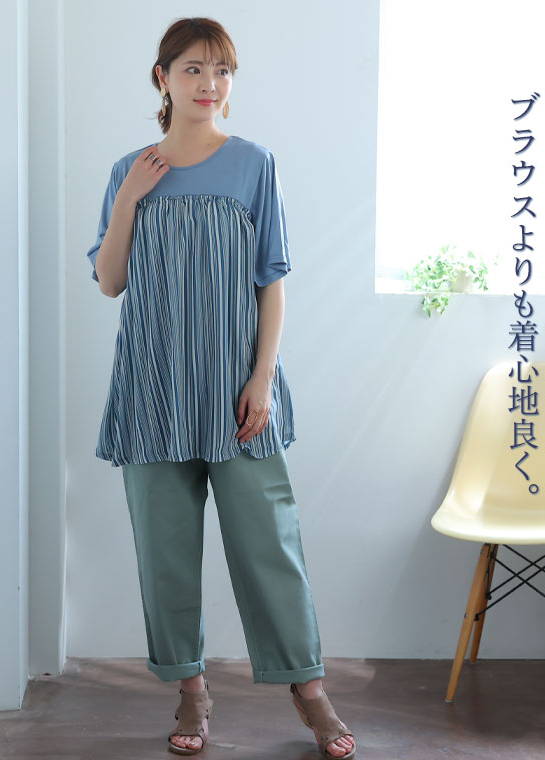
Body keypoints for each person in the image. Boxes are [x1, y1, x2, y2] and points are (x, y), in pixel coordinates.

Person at [86, 17, 355, 759]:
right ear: (163, 78)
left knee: (271, 546)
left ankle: (310, 692)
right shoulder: (129, 171)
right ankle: (192, 692)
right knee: (166, 554)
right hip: (152, 393)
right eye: (194, 69)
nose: (210, 84)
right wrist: (128, 200)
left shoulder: (252, 165)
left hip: (238, 396)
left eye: (222, 70)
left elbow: (272, 281)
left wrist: (262, 378)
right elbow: (109, 281)